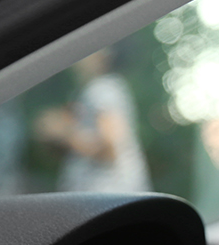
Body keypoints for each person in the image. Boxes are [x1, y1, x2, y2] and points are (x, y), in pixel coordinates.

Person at [37, 47, 151, 192]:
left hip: (107, 195)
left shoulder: (102, 90)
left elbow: (110, 149)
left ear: (102, 56)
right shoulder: (96, 90)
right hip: (101, 198)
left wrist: (63, 134)